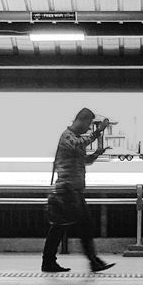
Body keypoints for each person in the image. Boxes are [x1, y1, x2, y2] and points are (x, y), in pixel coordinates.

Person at [43, 107, 117, 273]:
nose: (88, 128)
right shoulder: (67, 136)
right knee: (80, 226)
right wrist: (98, 132)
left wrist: (97, 154)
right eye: (89, 124)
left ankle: (50, 262)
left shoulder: (74, 138)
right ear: (81, 120)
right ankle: (92, 261)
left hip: (72, 190)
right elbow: (80, 144)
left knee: (61, 227)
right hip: (66, 190)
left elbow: (83, 160)